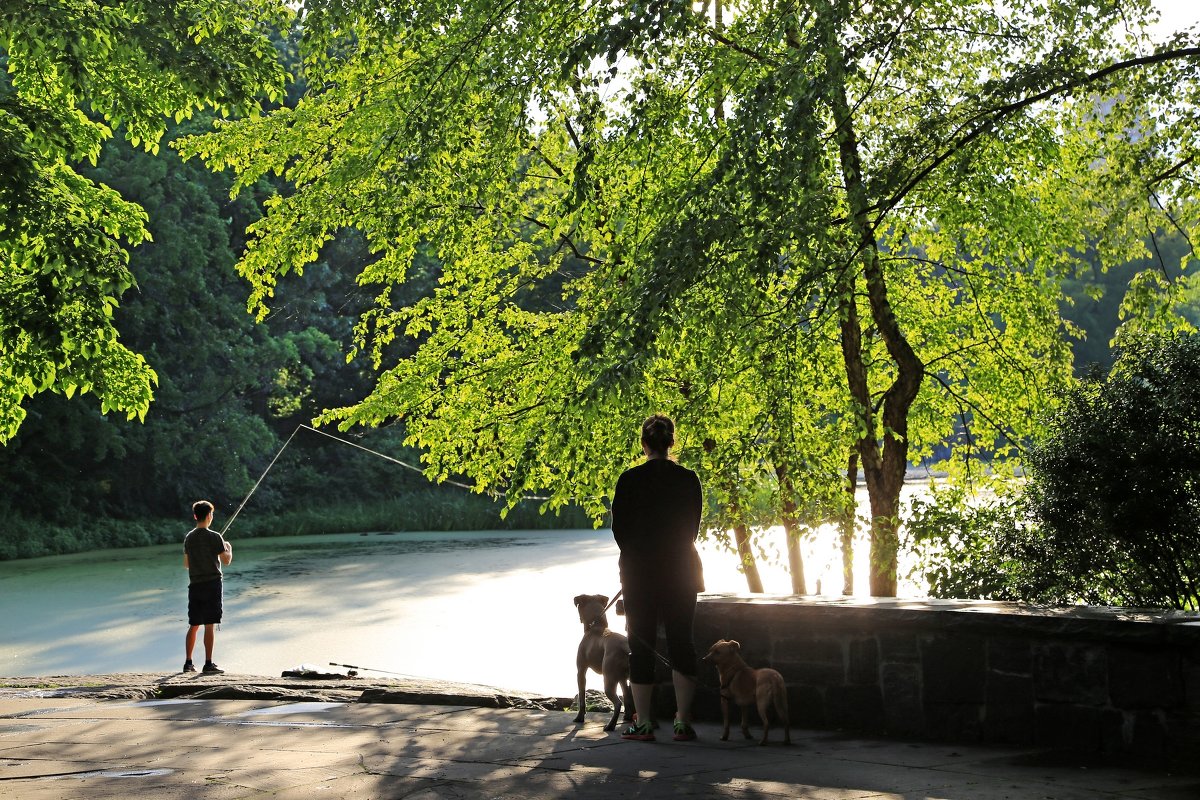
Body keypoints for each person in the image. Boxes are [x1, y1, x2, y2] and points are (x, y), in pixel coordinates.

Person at [611, 414, 704, 742]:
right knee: (683, 643)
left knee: (641, 645)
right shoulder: (689, 479)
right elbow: (693, 528)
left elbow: (619, 530)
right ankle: (682, 721)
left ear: (644, 444)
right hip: (681, 571)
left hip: (639, 574)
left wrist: (639, 558)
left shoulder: (629, 480)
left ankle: (645, 722)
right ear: (671, 442)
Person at [182, 500, 232, 674]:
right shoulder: (215, 536)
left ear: (195, 516)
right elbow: (226, 560)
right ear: (209, 515)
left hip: (195, 585)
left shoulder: (189, 537)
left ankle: (188, 663)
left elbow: (187, 564)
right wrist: (228, 548)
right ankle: (208, 663)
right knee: (209, 624)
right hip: (212, 584)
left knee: (194, 624)